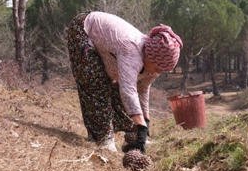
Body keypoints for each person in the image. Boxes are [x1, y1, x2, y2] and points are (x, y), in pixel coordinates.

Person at [66, 12, 182, 153]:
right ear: (149, 56)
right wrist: (141, 126)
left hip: (104, 41)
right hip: (83, 28)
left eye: (163, 69)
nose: (158, 72)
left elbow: (142, 90)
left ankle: (132, 137)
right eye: (158, 67)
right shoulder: (132, 50)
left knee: (125, 97)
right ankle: (103, 139)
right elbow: (128, 90)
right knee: (96, 82)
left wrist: (145, 124)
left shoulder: (154, 65)